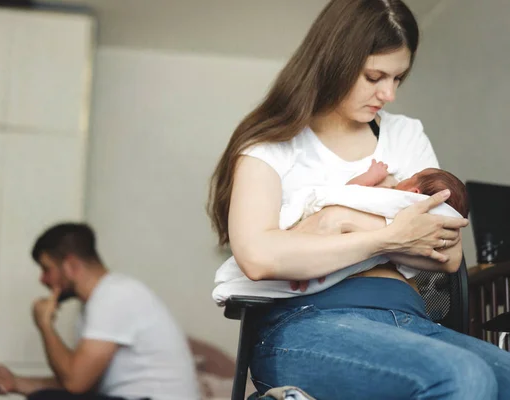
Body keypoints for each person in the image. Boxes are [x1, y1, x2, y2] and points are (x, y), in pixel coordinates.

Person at [207, 0, 510, 398]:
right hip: (305, 324)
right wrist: (388, 239)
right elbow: (260, 257)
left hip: (407, 316)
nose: (389, 94)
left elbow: (447, 254)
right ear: (333, 61)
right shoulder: (269, 146)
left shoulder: (405, 136)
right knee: (464, 378)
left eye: (398, 78)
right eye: (374, 76)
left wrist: (334, 222)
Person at [0, 223, 200, 400]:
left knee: (46, 399)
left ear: (70, 265)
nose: (43, 279)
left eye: (47, 269)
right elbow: (83, 383)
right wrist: (16, 382)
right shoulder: (101, 301)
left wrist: (45, 325)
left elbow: (75, 382)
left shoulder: (114, 295)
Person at [348, 159, 468, 217]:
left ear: (414, 192)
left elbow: (347, 193)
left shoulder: (391, 199)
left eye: (412, 177)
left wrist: (371, 176)